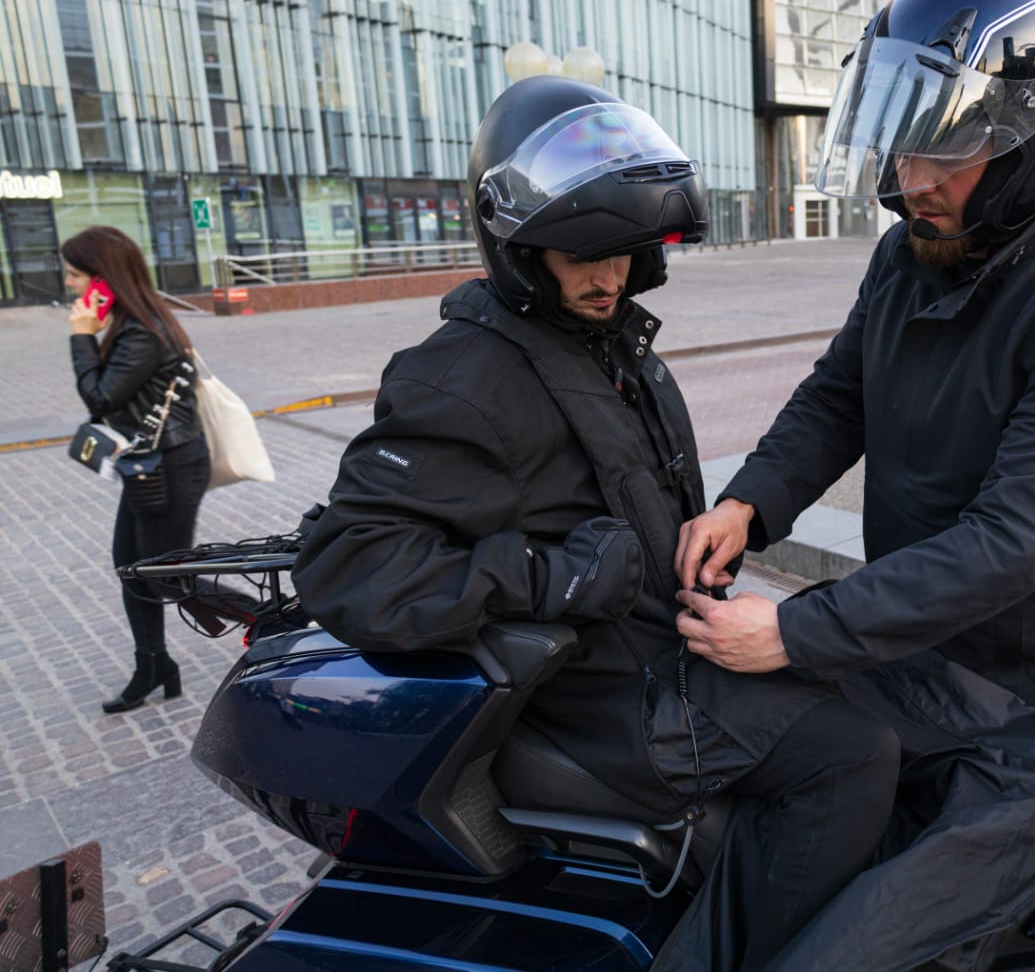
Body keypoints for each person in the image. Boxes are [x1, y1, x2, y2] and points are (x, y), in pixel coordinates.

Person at [290, 76, 901, 972]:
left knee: (884, 686)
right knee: (852, 760)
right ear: (518, 245)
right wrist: (552, 578)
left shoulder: (604, 342)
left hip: (663, 650)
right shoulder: (463, 376)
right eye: (581, 254)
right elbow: (349, 564)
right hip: (600, 698)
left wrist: (697, 543)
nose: (608, 275)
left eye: (622, 250)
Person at [670, 0, 1035, 967]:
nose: (914, 180)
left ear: (1030, 142)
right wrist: (750, 504)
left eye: (950, 149)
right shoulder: (910, 250)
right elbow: (836, 395)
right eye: (901, 145)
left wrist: (800, 629)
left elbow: (1013, 541)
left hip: (1032, 704)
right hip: (909, 658)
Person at [64, 226, 206, 713]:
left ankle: (273, 618)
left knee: (164, 575)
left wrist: (81, 337)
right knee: (132, 568)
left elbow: (101, 396)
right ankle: (153, 665)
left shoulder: (140, 331)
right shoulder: (131, 322)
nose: (69, 285)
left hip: (171, 463)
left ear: (104, 281)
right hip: (148, 463)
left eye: (75, 275)